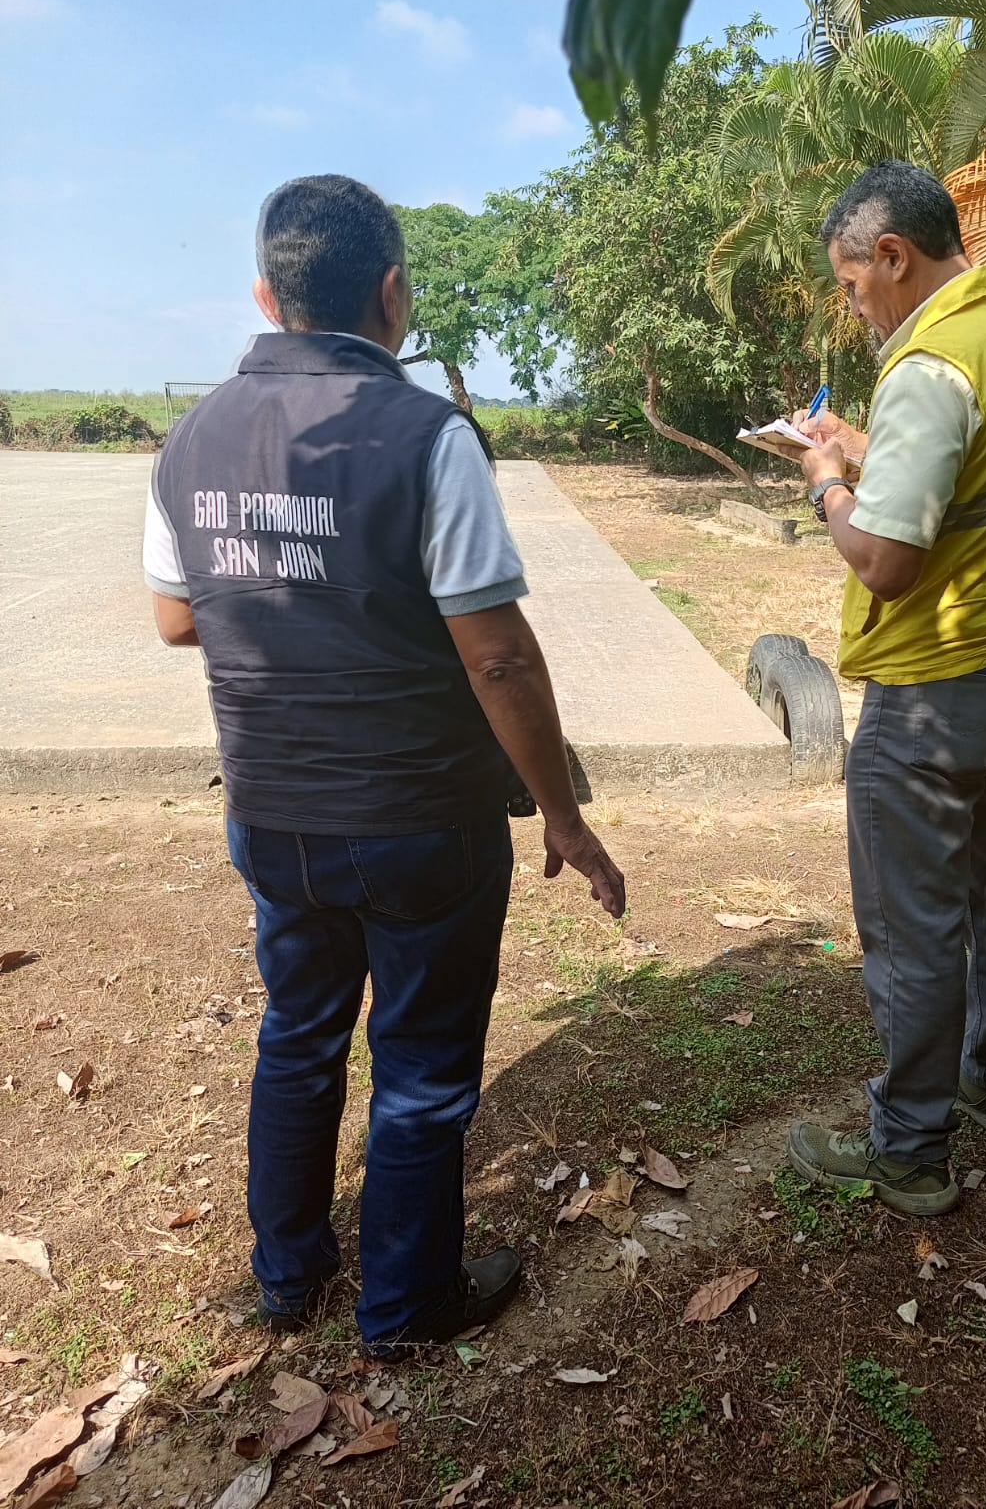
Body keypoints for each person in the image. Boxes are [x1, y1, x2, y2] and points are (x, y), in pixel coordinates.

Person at [142, 174, 626, 1354]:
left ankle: (286, 1276)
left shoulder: (191, 437)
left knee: (298, 1033)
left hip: (273, 813)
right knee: (420, 1062)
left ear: (268, 296)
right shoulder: (428, 436)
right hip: (422, 820)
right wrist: (563, 815)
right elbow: (497, 657)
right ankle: (406, 1307)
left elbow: (175, 618)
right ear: (394, 294)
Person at [780, 161, 986, 1217]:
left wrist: (827, 482)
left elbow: (886, 562)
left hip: (930, 697)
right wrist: (869, 448)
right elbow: (983, 459)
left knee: (913, 927)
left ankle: (909, 1149)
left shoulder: (928, 364)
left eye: (854, 285)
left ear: (893, 256)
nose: (856, 306)